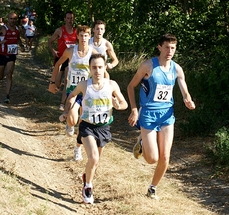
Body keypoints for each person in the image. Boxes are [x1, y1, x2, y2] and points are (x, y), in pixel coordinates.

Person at [127, 33, 196, 200]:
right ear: (159, 47)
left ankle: (152, 188)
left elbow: (183, 89)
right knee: (152, 159)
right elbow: (130, 86)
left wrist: (188, 99)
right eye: (166, 47)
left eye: (173, 48)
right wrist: (134, 110)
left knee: (165, 156)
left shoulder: (177, 69)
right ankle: (142, 141)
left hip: (166, 115)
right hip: (148, 114)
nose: (169, 51)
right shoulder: (148, 66)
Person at [61, 53, 128, 204]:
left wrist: (118, 105)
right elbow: (72, 96)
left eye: (100, 67)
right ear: (90, 69)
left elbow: (124, 104)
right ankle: (88, 187)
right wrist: (71, 109)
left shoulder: (112, 85)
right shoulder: (84, 85)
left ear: (105, 67)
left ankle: (87, 178)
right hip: (87, 126)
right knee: (93, 158)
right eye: (94, 67)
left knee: (95, 162)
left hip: (104, 128)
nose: (97, 70)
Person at [49, 25, 108, 161]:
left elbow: (105, 73)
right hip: (72, 90)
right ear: (78, 37)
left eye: (86, 36)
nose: (83, 38)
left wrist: (108, 91)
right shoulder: (71, 51)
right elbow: (58, 64)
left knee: (83, 123)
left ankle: (77, 149)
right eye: (81, 36)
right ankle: (68, 120)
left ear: (89, 37)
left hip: (87, 91)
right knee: (71, 110)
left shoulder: (93, 53)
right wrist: (52, 82)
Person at [0, 12, 25, 104]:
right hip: (2, 55)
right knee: (1, 76)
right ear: (8, 19)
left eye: (14, 19)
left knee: (9, 75)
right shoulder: (3, 28)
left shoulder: (18, 29)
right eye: (11, 19)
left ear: (16, 19)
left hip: (11, 55)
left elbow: (18, 38)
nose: (12, 20)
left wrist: (21, 45)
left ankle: (7, 96)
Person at [47, 11, 77, 110]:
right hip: (60, 58)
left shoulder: (76, 32)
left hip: (70, 60)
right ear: (65, 19)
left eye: (71, 18)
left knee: (67, 80)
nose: (69, 20)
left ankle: (62, 103)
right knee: (58, 83)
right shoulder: (60, 30)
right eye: (68, 18)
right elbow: (50, 41)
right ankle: (55, 86)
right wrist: (53, 51)